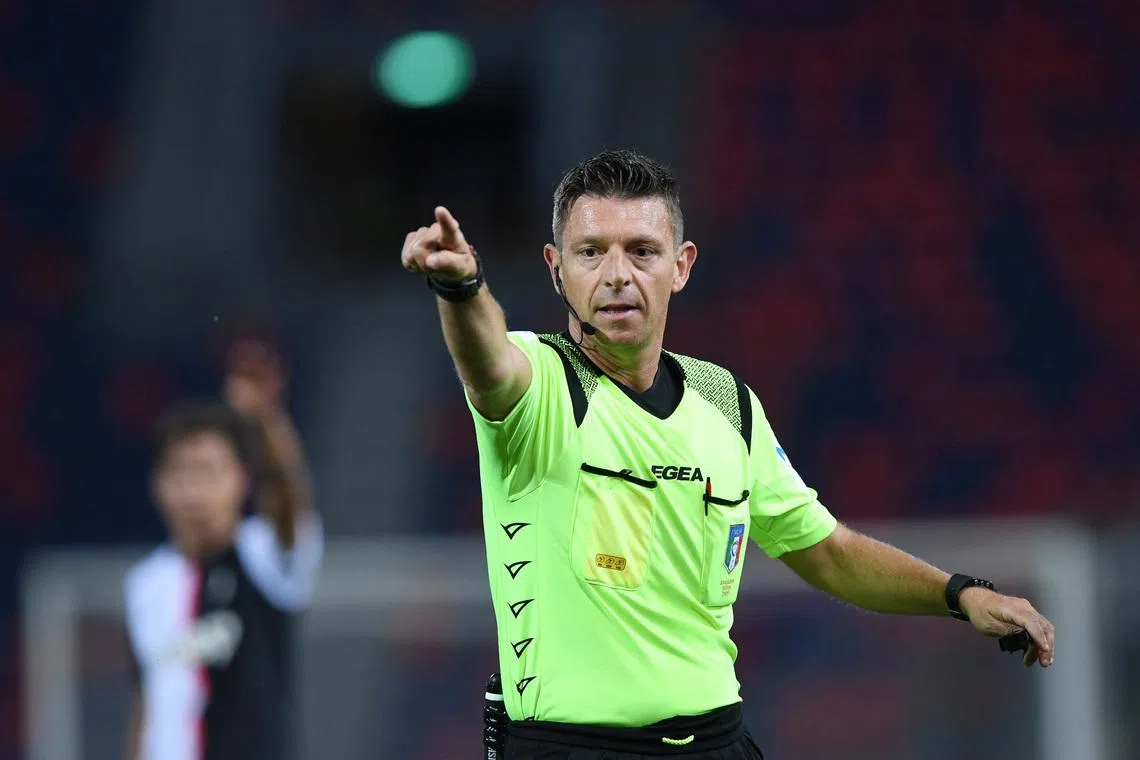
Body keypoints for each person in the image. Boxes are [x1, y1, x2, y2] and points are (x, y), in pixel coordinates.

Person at [401, 149, 1056, 759]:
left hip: (717, 741)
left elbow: (828, 552)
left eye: (642, 251)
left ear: (681, 266)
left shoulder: (726, 402)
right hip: (572, 747)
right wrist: (462, 288)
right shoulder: (542, 383)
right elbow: (489, 365)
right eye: (591, 252)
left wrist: (960, 594)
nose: (617, 274)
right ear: (556, 268)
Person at [121, 342, 323, 760]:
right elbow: (147, 702)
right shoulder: (145, 584)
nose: (194, 491)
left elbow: (289, 499)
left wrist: (266, 420)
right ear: (158, 484)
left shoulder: (264, 556)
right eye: (181, 473)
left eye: (208, 472)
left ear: (241, 479)